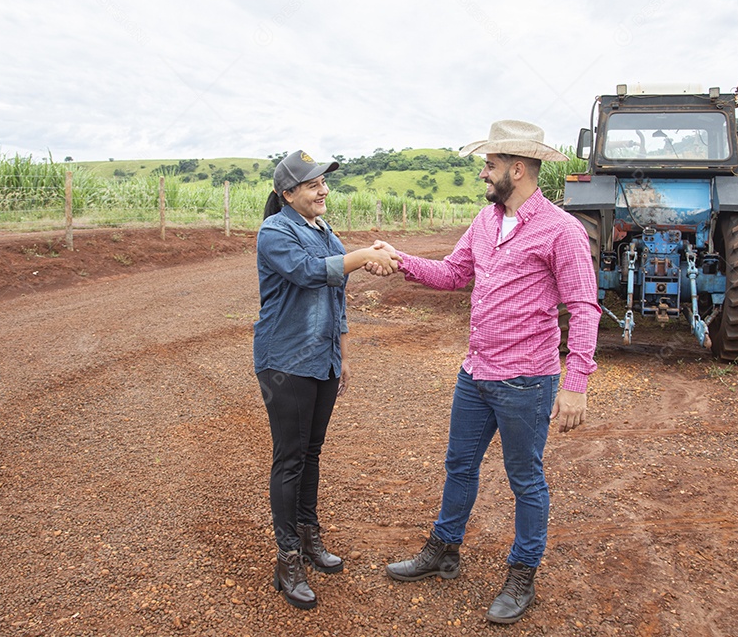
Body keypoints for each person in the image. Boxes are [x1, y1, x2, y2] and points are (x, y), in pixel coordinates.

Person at [369, 119, 601, 624]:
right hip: (475, 374)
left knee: (525, 481)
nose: (483, 174)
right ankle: (443, 549)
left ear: (517, 170)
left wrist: (576, 382)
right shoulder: (484, 220)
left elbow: (584, 307)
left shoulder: (561, 230)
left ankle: (523, 574)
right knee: (459, 465)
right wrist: (400, 259)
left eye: (490, 166)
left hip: (527, 381)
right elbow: (454, 273)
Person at [254, 149, 399, 611]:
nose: (324, 190)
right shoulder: (275, 232)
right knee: (290, 458)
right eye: (314, 183)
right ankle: (288, 557)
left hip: (323, 361)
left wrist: (344, 355)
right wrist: (363, 255)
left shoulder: (323, 231)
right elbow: (310, 273)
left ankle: (309, 536)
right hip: (286, 362)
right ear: (287, 193)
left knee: (311, 453)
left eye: (324, 182)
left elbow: (338, 295)